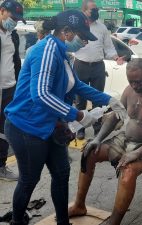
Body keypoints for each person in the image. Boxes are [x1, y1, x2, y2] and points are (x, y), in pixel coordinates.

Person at [4, 10, 126, 225]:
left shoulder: (63, 55)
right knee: (29, 179)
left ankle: (63, 221)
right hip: (27, 126)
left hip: (49, 124)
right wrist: (78, 115)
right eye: (84, 37)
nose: (85, 42)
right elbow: (40, 94)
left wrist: (110, 100)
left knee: (61, 173)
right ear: (66, 32)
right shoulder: (46, 51)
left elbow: (76, 85)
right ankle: (17, 221)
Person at [68, 58, 142, 225]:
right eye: (131, 82)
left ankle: (114, 222)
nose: (135, 86)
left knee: (128, 171)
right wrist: (97, 138)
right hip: (124, 140)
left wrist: (137, 153)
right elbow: (115, 116)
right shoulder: (129, 90)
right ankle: (79, 205)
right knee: (88, 153)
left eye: (139, 82)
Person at [74, 0, 124, 140]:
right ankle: (80, 129)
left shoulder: (101, 28)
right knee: (80, 100)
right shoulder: (77, 26)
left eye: (96, 9)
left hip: (97, 67)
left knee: (98, 99)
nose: (96, 12)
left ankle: (97, 128)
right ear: (84, 11)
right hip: (80, 65)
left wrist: (116, 58)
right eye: (93, 9)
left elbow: (108, 47)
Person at [0, 0, 25, 181]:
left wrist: (18, 85)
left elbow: (16, 61)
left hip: (9, 87)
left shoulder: (12, 35)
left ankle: (1, 166)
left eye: (17, 19)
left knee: (4, 128)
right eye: (12, 17)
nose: (14, 21)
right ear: (2, 11)